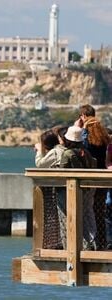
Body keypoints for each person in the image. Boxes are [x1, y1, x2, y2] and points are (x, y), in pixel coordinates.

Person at [75, 104, 110, 249]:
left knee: (88, 210)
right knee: (101, 209)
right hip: (104, 177)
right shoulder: (103, 131)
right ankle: (104, 241)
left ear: (83, 116)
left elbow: (81, 148)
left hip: (89, 177)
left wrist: (79, 128)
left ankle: (90, 242)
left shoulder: (86, 132)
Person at [60, 125, 97, 250]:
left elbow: (62, 171)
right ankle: (92, 241)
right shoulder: (85, 152)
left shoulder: (67, 153)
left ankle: (76, 245)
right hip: (89, 188)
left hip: (74, 189)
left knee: (72, 216)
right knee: (87, 214)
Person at [34, 129, 66, 249]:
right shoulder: (62, 149)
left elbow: (40, 164)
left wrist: (39, 151)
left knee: (63, 216)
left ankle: (67, 245)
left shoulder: (54, 152)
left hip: (62, 188)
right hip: (67, 187)